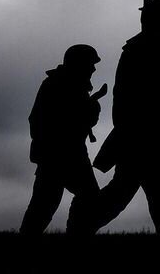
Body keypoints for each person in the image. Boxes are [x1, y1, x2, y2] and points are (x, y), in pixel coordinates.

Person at [90, 0, 160, 235]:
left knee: (154, 200)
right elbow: (140, 97)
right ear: (158, 22)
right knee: (134, 196)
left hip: (153, 138)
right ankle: (80, 227)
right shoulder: (143, 50)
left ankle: (81, 227)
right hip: (143, 139)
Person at [20, 44, 106, 235]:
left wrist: (91, 105)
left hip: (64, 154)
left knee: (48, 204)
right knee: (50, 204)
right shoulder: (61, 85)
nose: (93, 69)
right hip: (62, 155)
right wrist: (92, 107)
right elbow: (45, 120)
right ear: (79, 64)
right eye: (90, 64)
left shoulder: (67, 84)